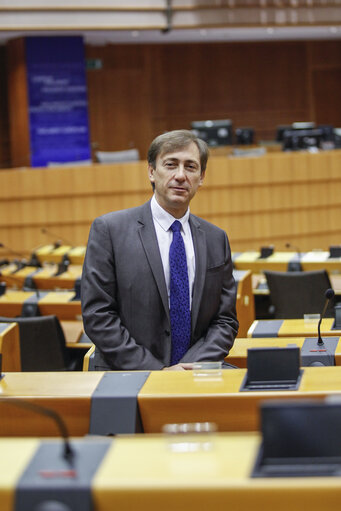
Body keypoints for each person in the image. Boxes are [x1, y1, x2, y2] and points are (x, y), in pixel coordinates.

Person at [81, 129, 238, 370]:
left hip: (195, 379)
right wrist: (158, 372)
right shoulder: (110, 230)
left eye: (190, 167)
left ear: (202, 177)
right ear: (152, 172)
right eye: (171, 164)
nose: (180, 175)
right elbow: (98, 315)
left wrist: (190, 367)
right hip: (128, 378)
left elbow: (225, 320)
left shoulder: (216, 239)